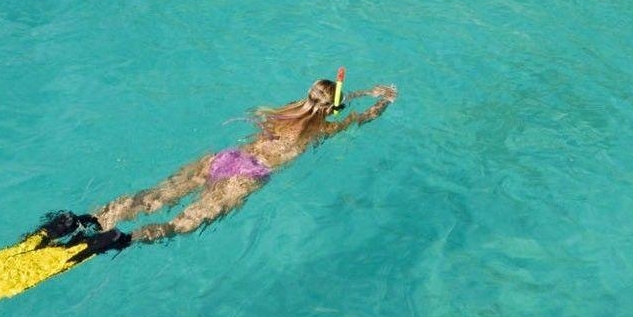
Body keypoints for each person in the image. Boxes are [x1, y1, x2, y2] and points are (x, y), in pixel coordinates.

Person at [46, 74, 396, 252]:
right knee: (183, 222)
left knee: (153, 198)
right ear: (332, 110)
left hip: (228, 158)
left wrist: (347, 93)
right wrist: (381, 100)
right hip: (249, 175)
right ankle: (121, 239)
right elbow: (361, 117)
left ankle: (84, 220)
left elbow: (322, 100)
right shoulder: (321, 132)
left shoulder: (282, 114)